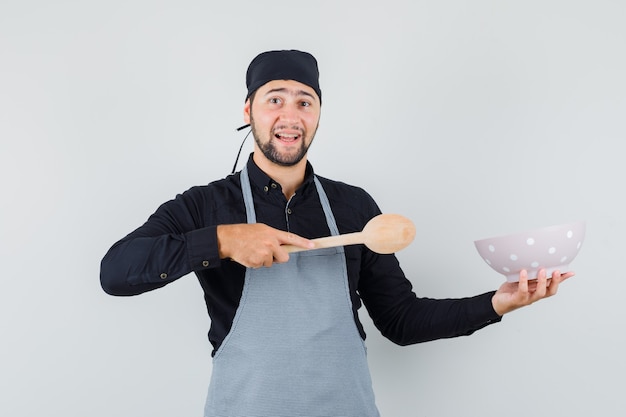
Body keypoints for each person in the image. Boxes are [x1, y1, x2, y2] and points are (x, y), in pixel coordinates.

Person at [100, 49, 574, 417]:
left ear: (319, 113)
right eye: (275, 99)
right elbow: (116, 271)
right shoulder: (205, 205)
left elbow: (401, 320)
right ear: (248, 110)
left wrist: (499, 302)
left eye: (305, 101)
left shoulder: (354, 208)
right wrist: (222, 241)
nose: (290, 116)